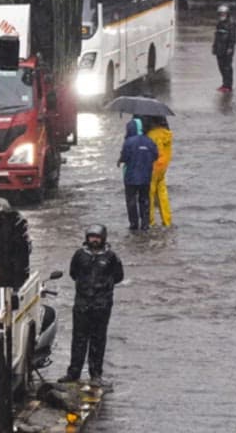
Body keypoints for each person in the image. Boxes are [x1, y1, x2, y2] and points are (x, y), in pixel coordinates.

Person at [59, 225, 124, 387]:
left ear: (103, 238)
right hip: (82, 304)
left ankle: (96, 374)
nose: (94, 240)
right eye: (91, 237)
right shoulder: (80, 255)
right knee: (78, 339)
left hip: (102, 305)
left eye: (97, 237)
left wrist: (103, 289)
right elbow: (73, 273)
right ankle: (73, 373)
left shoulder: (111, 257)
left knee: (98, 339)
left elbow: (118, 276)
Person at [118, 119, 158, 231]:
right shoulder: (149, 141)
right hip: (146, 177)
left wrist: (121, 159)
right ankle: (145, 224)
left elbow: (124, 157)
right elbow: (155, 155)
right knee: (145, 200)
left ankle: (134, 224)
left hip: (130, 178)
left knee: (131, 201)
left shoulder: (128, 142)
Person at [143, 116, 173, 227]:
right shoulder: (168, 134)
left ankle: (151, 221)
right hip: (163, 168)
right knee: (162, 194)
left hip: (152, 168)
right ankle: (167, 220)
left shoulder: (151, 135)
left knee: (149, 195)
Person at [212, 5, 236, 92]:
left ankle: (228, 86)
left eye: (224, 14)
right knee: (221, 67)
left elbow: (232, 37)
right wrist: (214, 47)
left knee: (227, 68)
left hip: (227, 49)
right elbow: (216, 36)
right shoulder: (219, 23)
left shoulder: (231, 23)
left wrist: (230, 48)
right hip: (219, 49)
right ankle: (224, 84)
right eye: (221, 14)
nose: (222, 16)